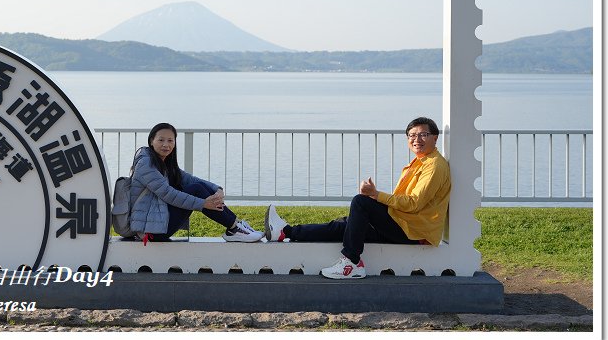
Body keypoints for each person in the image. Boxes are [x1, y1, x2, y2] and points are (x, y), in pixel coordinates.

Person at [265, 117, 451, 279]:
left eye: (423, 135)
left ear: (435, 138)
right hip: (403, 224)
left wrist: (376, 195)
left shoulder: (434, 166)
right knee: (344, 226)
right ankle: (285, 232)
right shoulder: (421, 162)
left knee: (361, 202)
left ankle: (351, 262)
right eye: (411, 135)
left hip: (414, 233)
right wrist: (377, 197)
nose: (416, 139)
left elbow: (414, 203)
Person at [130, 122, 264, 243]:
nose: (166, 144)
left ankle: (235, 225)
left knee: (198, 186)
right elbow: (168, 194)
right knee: (196, 189)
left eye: (170, 140)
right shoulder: (146, 164)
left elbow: (190, 179)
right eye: (161, 140)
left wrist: (217, 189)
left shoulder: (165, 163)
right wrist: (203, 204)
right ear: (151, 141)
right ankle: (234, 228)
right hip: (150, 231)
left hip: (158, 223)